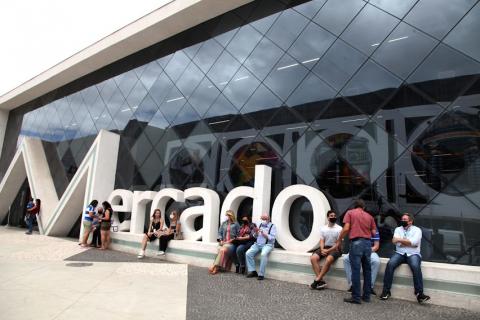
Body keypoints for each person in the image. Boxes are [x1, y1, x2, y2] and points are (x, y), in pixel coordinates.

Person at [380, 213, 430, 304]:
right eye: (402, 219)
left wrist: (401, 240)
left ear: (410, 221)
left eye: (405, 219)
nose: (402, 221)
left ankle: (420, 294)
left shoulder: (417, 230)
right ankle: (386, 291)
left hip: (413, 254)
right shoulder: (398, 229)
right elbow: (395, 242)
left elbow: (414, 242)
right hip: (400, 253)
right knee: (390, 264)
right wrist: (409, 243)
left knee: (415, 266)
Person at [335, 199, 376, 304]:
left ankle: (356, 297)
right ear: (363, 207)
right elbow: (374, 232)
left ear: (355, 206)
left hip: (356, 242)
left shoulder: (350, 213)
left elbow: (346, 228)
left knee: (356, 270)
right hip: (367, 244)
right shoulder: (369, 216)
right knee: (368, 270)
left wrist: (339, 240)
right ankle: (366, 297)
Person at [310, 210, 343, 290]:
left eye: (334, 216)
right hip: (325, 247)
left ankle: (317, 280)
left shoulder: (339, 229)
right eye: (331, 216)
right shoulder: (323, 228)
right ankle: (321, 281)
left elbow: (338, 244)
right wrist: (322, 249)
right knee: (313, 258)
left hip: (336, 249)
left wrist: (327, 251)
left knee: (328, 260)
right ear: (328, 218)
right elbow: (322, 241)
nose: (333, 217)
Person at [343, 229, 380, 295]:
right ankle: (352, 285)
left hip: (370, 251)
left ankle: (369, 287)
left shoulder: (374, 230)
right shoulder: (357, 228)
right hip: (357, 250)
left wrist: (366, 251)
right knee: (346, 259)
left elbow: (376, 246)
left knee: (376, 261)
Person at [245, 213, 276, 280]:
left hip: (267, 245)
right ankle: (252, 271)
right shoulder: (260, 225)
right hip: (257, 244)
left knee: (263, 254)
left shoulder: (272, 226)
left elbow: (272, 238)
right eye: (262, 219)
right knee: (248, 253)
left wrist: (264, 233)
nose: (263, 220)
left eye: (264, 219)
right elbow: (254, 236)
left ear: (268, 219)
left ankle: (261, 274)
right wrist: (256, 233)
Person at [209, 210, 240, 274]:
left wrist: (232, 240)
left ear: (231, 216)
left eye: (228, 215)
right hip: (224, 242)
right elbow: (219, 232)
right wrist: (221, 240)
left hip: (231, 243)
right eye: (226, 215)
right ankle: (216, 268)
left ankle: (214, 266)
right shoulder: (224, 223)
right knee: (221, 250)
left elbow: (239, 234)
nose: (226, 217)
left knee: (222, 250)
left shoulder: (236, 224)